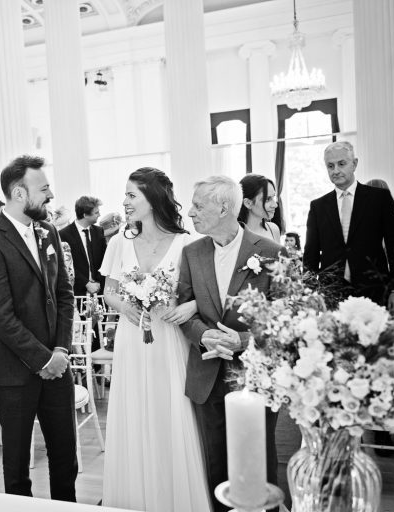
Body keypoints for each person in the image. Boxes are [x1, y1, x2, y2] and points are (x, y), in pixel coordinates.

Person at [100, 167, 209, 512]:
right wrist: (126, 308)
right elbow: (109, 292)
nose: (125, 202)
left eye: (132, 195)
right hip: (133, 340)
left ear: (153, 198)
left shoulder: (187, 244)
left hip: (169, 340)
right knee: (133, 413)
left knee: (170, 412)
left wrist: (185, 305)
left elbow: (206, 295)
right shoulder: (120, 242)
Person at [0, 155, 77, 501]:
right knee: (16, 466)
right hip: (14, 370)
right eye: (43, 188)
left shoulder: (48, 232)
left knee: (65, 457)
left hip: (58, 365)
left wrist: (60, 351)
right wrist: (43, 359)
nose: (50, 194)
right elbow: (0, 317)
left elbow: (64, 295)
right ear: (19, 193)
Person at [177, 176, 284, 512]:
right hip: (206, 374)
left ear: (223, 207)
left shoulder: (269, 252)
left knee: (258, 461)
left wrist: (242, 340)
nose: (190, 213)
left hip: (254, 375)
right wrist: (202, 334)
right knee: (215, 464)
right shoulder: (192, 252)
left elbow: (287, 321)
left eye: (197, 205)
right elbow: (185, 307)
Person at [303, 141, 394, 304]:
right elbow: (311, 255)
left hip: (375, 289)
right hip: (331, 292)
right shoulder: (318, 206)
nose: (335, 170)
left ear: (354, 164)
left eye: (341, 164)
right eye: (330, 166)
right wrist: (308, 292)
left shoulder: (379, 198)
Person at [59, 196, 107, 297]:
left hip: (99, 292)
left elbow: (105, 259)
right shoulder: (63, 234)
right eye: (96, 212)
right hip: (77, 293)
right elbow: (65, 264)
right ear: (85, 215)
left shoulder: (99, 232)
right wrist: (86, 283)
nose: (100, 215)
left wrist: (98, 282)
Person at [238, 174, 280, 242]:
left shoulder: (273, 230)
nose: (275, 205)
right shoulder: (234, 236)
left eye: (273, 197)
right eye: (267, 199)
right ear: (248, 203)